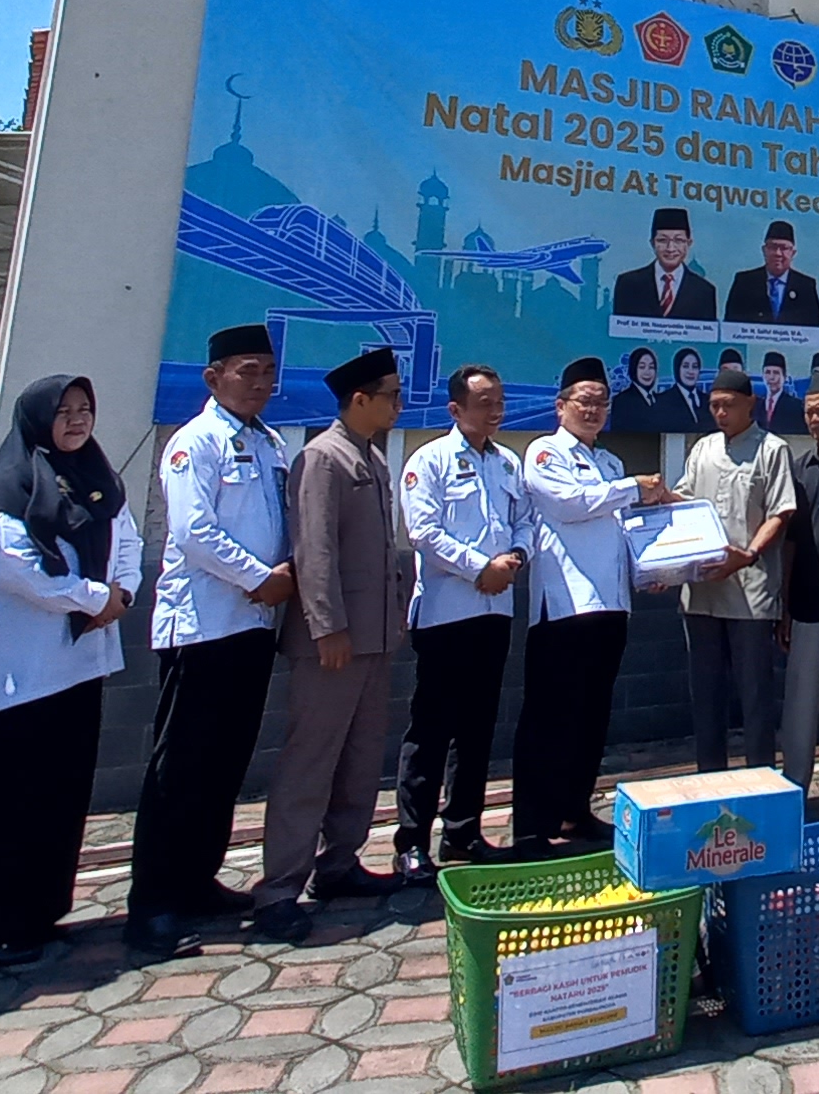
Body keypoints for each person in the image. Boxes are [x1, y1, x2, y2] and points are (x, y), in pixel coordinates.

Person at [0, 374, 138, 971]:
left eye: (85, 409)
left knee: (55, 795)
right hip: (15, 667)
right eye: (63, 411)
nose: (76, 420)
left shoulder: (99, 479)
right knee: (0, 799)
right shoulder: (5, 488)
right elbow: (12, 569)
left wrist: (121, 592)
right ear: (38, 418)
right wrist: (93, 597)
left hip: (78, 661)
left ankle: (35, 915)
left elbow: (125, 544)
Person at [126, 324, 297, 961]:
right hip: (201, 625)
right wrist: (260, 577)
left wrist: (284, 574)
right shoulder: (194, 442)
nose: (260, 383)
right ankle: (152, 906)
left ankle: (197, 880)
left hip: (252, 624)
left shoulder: (270, 443)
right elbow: (193, 531)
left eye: (267, 372)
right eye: (247, 371)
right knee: (180, 768)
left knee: (225, 763)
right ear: (213, 377)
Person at [255, 347, 413, 935]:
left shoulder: (372, 457)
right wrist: (327, 626)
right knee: (311, 763)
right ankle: (279, 889)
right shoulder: (323, 458)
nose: (399, 405)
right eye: (391, 395)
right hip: (334, 641)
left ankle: (339, 862)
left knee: (360, 759)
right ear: (359, 399)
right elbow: (314, 549)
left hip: (373, 636)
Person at [514, 356, 675, 851]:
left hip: (610, 604)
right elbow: (570, 504)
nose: (593, 410)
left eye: (601, 402)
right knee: (551, 715)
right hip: (564, 607)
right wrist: (633, 489)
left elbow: (622, 529)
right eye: (584, 401)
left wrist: (650, 570)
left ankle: (574, 810)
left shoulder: (609, 463)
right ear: (560, 406)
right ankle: (532, 825)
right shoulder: (545, 452)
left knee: (592, 715)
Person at [393, 365, 529, 881]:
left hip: (495, 613)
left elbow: (524, 522)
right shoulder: (429, 460)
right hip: (447, 614)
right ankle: (411, 842)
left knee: (477, 729)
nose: (495, 411)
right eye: (484, 402)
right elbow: (423, 532)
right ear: (456, 409)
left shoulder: (508, 462)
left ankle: (462, 831)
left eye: (499, 401)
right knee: (431, 729)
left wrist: (515, 557)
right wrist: (480, 568)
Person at [676, 371, 798, 774]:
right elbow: (683, 503)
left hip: (750, 590)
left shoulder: (772, 449)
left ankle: (760, 781)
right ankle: (709, 781)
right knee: (706, 695)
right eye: (714, 406)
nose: (721, 413)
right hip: (703, 592)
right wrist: (657, 497)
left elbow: (781, 513)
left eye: (729, 405)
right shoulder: (703, 448)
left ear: (751, 404)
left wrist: (748, 554)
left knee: (755, 696)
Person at [775, 375, 819, 788]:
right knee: (801, 698)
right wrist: (784, 604)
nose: (815, 420)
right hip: (807, 593)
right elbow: (790, 541)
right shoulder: (799, 471)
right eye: (809, 413)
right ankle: (795, 788)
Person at [611, 206, 719, 321]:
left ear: (688, 243)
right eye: (662, 240)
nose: (670, 248)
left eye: (678, 240)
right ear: (652, 243)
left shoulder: (704, 291)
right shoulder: (628, 284)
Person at [724, 220, 819, 327]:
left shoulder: (806, 286)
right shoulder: (745, 282)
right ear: (764, 250)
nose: (778, 253)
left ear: (793, 253)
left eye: (784, 248)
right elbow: (731, 324)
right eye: (773, 247)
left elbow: (813, 327)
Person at [612, 346, 668, 435]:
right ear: (633, 369)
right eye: (642, 367)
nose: (647, 372)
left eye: (651, 367)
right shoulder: (623, 401)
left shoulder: (660, 400)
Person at [757, 351, 805, 436]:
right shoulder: (755, 405)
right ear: (763, 376)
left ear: (784, 377)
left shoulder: (796, 407)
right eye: (767, 372)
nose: (771, 377)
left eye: (776, 373)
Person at [667, 347, 712, 432]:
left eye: (695, 367)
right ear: (677, 369)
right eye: (685, 366)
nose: (690, 371)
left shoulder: (708, 400)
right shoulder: (664, 400)